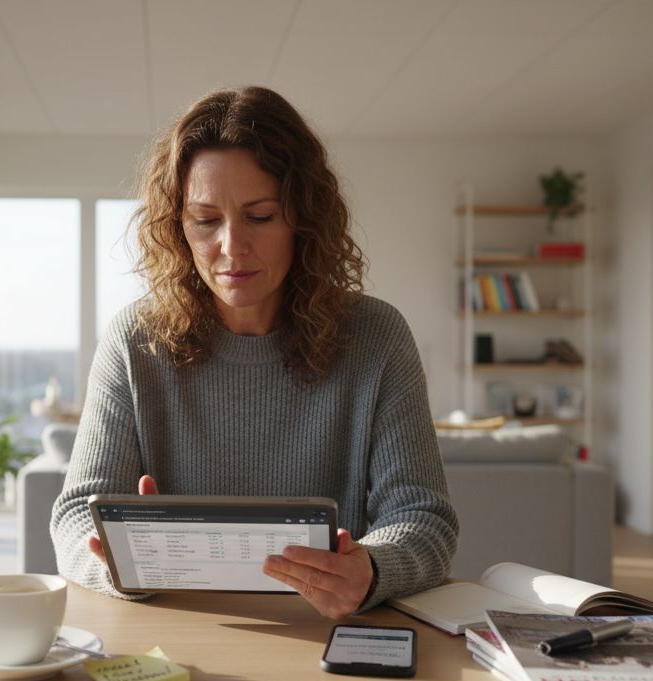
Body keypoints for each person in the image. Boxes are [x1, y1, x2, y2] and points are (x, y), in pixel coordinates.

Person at [50, 86, 457, 619]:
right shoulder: (134, 340)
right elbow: (77, 516)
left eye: (260, 216)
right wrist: (119, 564)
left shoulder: (377, 337)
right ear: (177, 228)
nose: (232, 246)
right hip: (177, 636)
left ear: (302, 220)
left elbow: (424, 518)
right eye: (205, 219)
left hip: (331, 637)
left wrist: (374, 568)